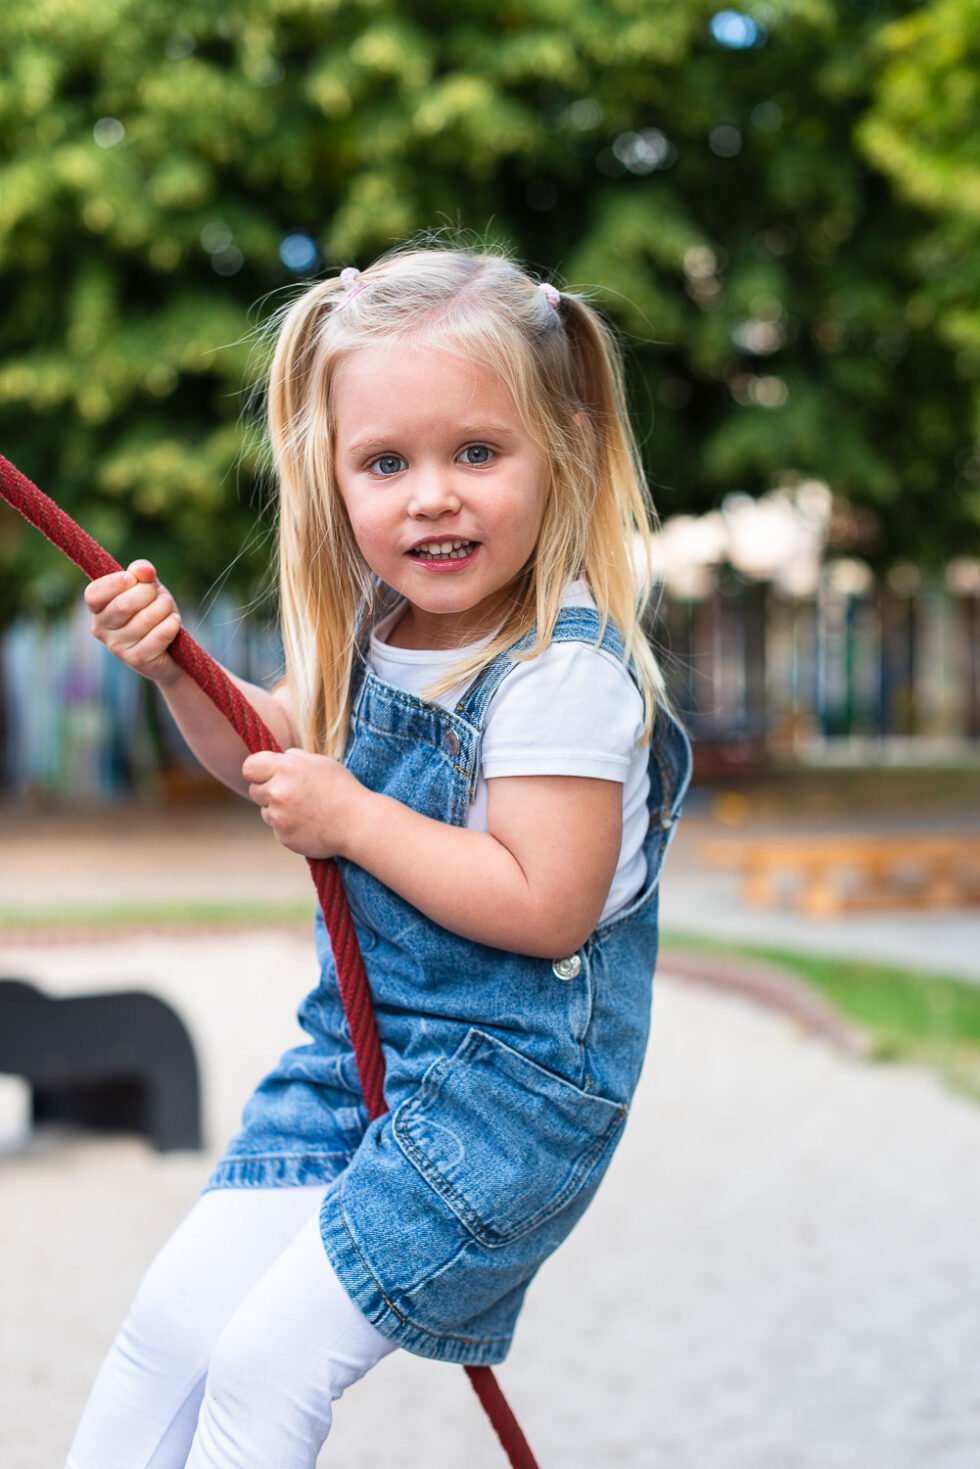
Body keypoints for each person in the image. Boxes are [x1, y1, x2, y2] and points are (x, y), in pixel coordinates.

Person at [67, 244, 692, 1469]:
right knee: (171, 1327)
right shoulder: (378, 628)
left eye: (475, 452)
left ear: (558, 448)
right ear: (333, 474)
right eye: (386, 462)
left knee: (265, 1361)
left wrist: (354, 817)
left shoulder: (559, 676)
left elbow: (546, 904)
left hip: (505, 1102)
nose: (431, 497)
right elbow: (270, 744)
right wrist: (177, 667)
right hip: (354, 1053)